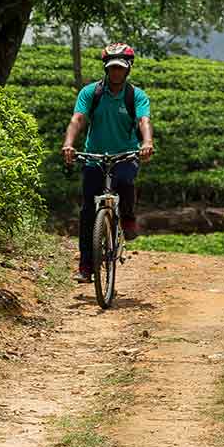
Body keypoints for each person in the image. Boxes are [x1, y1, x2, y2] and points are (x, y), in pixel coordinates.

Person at [61, 42, 155, 283]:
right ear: (106, 68)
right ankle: (86, 265)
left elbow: (144, 120)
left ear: (128, 69)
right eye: (112, 68)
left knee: (124, 180)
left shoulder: (136, 96)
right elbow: (78, 119)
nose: (116, 72)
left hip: (125, 154)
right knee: (87, 212)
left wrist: (146, 143)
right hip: (95, 156)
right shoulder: (91, 93)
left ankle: (128, 216)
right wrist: (69, 144)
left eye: (120, 68)